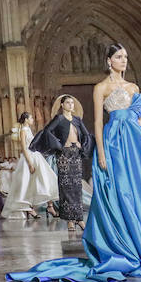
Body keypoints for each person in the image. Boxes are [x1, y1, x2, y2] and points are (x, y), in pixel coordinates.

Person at [8, 43, 141, 282]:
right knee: (125, 197)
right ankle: (134, 248)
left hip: (138, 143)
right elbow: (97, 123)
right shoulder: (101, 88)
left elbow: (140, 121)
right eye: (118, 56)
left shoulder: (134, 87)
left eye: (126, 56)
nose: (124, 60)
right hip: (114, 143)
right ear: (109, 61)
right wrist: (102, 155)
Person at [30, 95, 93, 228]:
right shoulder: (59, 118)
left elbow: (86, 134)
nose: (71, 105)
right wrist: (58, 146)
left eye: (72, 103)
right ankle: (70, 220)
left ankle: (79, 218)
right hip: (64, 155)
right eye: (68, 103)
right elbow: (47, 131)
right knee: (66, 187)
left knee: (76, 186)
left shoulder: (77, 120)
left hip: (75, 154)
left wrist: (82, 145)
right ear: (62, 105)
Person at [2, 112, 57, 220]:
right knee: (27, 184)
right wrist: (30, 163)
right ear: (26, 119)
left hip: (35, 156)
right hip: (29, 158)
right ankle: (29, 209)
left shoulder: (28, 129)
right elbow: (24, 147)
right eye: (31, 118)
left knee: (44, 180)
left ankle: (50, 206)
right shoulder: (23, 130)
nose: (33, 119)